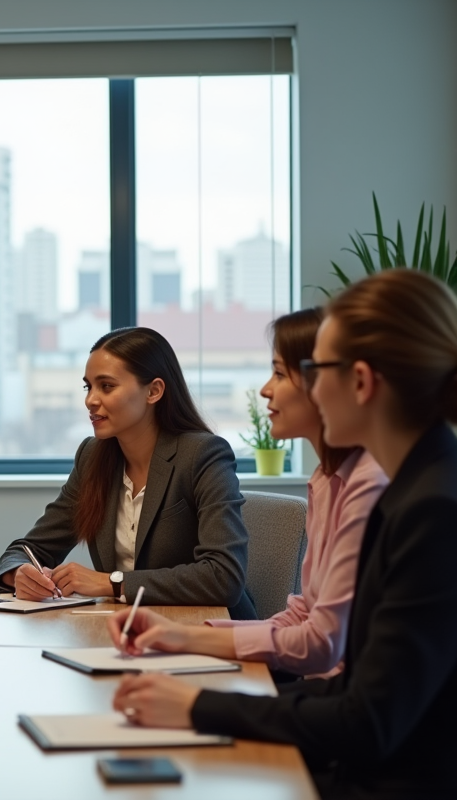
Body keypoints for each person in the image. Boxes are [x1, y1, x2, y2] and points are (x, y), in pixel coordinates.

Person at [112, 270, 457, 799]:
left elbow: (367, 719)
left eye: (314, 369)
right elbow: (356, 687)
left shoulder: (430, 509)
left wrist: (198, 708)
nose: (300, 386)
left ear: (361, 382)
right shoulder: (415, 487)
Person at [107, 309, 387, 678]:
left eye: (280, 373)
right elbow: (303, 613)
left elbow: (321, 644)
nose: (266, 389)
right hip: (318, 688)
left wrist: (187, 641)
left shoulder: (369, 485)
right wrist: (180, 635)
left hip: (344, 702)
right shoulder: (327, 479)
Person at [0, 327, 256, 619]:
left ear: (154, 391)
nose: (91, 400)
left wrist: (111, 583)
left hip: (204, 630)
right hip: (121, 630)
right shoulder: (92, 457)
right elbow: (28, 548)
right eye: (88, 387)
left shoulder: (203, 454)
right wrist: (19, 573)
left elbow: (223, 576)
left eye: (106, 386)